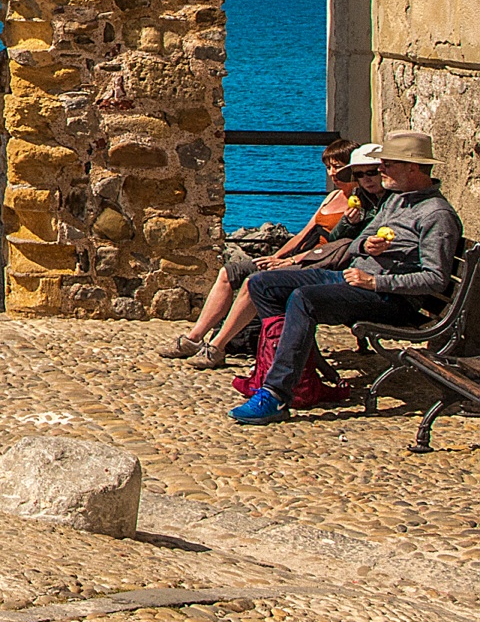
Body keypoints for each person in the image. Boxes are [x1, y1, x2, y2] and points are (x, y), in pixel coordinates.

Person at [230, 130, 464, 425]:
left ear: (413, 168)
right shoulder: (395, 201)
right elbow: (355, 242)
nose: (381, 170)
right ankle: (287, 377)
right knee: (263, 284)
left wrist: (375, 282)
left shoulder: (436, 215)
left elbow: (435, 279)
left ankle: (276, 394)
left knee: (305, 299)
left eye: (387, 164)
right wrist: (366, 246)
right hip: (354, 280)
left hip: (390, 299)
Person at [161, 141, 383, 368]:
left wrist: (293, 260)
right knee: (230, 272)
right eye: (329, 167)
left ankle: (217, 346)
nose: (333, 173)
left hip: (322, 263)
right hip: (301, 256)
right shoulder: (332, 197)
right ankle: (194, 338)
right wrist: (277, 257)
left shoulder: (364, 206)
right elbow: (303, 234)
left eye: (338, 166)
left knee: (254, 282)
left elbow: (339, 246)